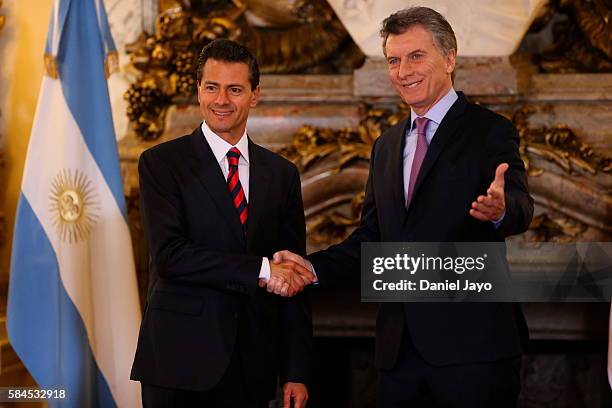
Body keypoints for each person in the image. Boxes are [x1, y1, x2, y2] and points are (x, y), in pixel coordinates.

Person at [273, 7, 534, 408]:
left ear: (449, 58)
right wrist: (311, 268)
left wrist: (500, 209)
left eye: (416, 56)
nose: (403, 70)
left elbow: (520, 205)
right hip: (398, 356)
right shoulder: (387, 146)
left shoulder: (490, 130)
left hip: (473, 354)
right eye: (394, 60)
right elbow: (372, 240)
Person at [130, 39, 316, 408]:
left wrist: (296, 369)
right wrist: (263, 269)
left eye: (235, 89)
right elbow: (171, 256)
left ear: (254, 95)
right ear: (198, 90)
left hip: (253, 364)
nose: (222, 100)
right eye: (211, 87)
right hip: (179, 361)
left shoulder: (281, 174)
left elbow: (293, 272)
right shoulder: (161, 164)